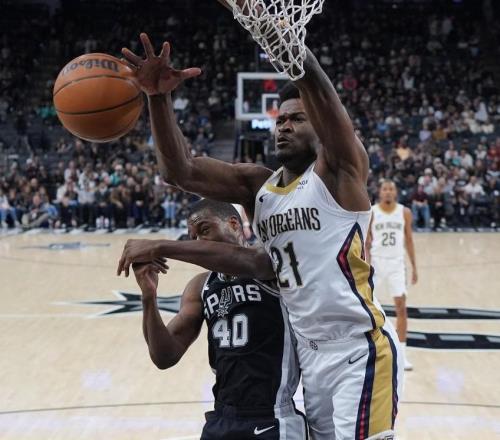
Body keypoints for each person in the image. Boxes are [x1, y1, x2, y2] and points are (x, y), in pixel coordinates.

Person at [121, 9, 403, 439]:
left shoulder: (339, 173)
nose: (284, 126)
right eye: (280, 120)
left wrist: (292, 51)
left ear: (319, 127)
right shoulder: (259, 187)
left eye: (297, 119)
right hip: (310, 356)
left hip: (358, 345)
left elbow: (326, 103)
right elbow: (180, 172)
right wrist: (157, 99)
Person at [128, 200, 306, 440]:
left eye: (204, 230)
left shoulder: (269, 265)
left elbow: (252, 260)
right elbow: (164, 357)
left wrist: (158, 247)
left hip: (273, 417)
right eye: (193, 237)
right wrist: (149, 296)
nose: (199, 242)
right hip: (222, 418)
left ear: (234, 224)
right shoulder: (201, 285)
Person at [366, 180, 418, 371]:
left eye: (391, 189)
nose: (388, 192)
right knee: (370, 309)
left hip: (397, 264)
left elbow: (409, 240)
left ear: (395, 192)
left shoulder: (404, 212)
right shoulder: (372, 212)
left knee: (401, 307)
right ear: (380, 192)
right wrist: (366, 265)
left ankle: (402, 355)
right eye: (385, 189)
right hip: (377, 264)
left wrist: (414, 267)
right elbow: (366, 241)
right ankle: (372, 352)